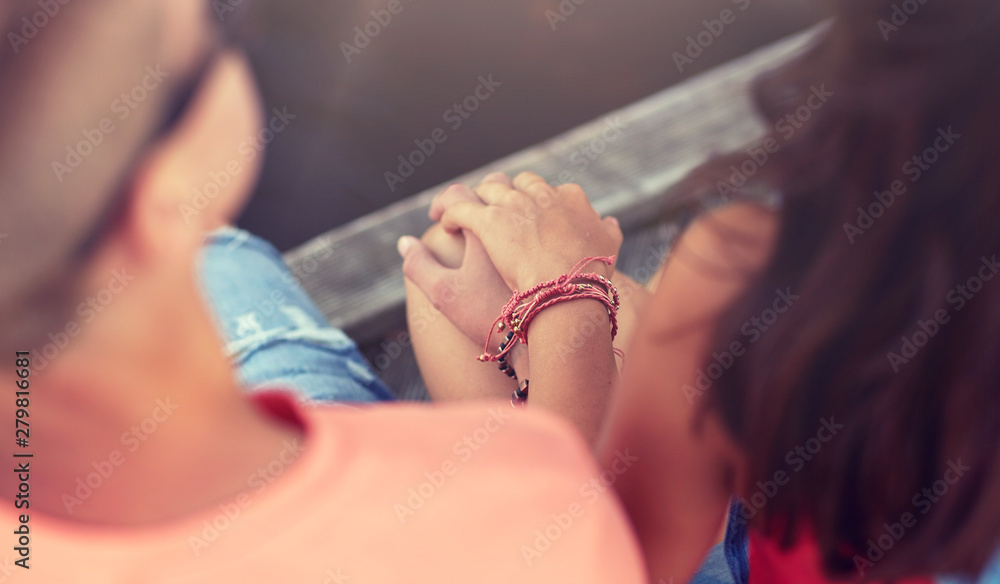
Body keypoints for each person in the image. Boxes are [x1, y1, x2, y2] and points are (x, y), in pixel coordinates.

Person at [0, 0, 646, 581]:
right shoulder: (507, 489)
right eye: (218, 20)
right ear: (160, 193)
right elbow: (570, 509)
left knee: (221, 259)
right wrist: (570, 296)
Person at [400, 0, 1000, 583]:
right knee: (477, 254)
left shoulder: (737, 271)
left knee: (465, 258)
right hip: (800, 526)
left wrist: (566, 313)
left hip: (632, 556)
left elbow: (585, 568)